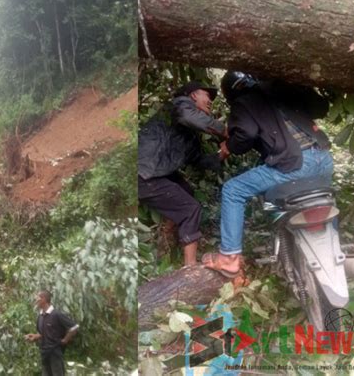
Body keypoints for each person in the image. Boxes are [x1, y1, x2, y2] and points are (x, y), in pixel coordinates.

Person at [203, 71, 333, 276]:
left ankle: (229, 258)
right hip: (324, 157)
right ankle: (334, 250)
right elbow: (320, 107)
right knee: (323, 199)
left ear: (230, 93)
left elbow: (245, 134)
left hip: (296, 163)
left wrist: (229, 145)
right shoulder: (281, 87)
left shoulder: (244, 102)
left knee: (233, 190)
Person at [138, 81, 227, 266]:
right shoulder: (179, 105)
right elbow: (191, 117)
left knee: (186, 191)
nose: (210, 101)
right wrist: (226, 132)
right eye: (207, 96)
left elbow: (198, 161)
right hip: (143, 172)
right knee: (190, 208)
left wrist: (222, 154)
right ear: (193, 95)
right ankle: (190, 269)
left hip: (155, 172)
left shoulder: (189, 134)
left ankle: (169, 241)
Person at [25, 290, 79, 376]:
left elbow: (74, 327)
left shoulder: (56, 314)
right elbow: (43, 334)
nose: (36, 301)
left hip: (55, 353)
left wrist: (65, 340)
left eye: (37, 299)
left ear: (44, 299)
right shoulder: (40, 316)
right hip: (44, 353)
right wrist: (35, 336)